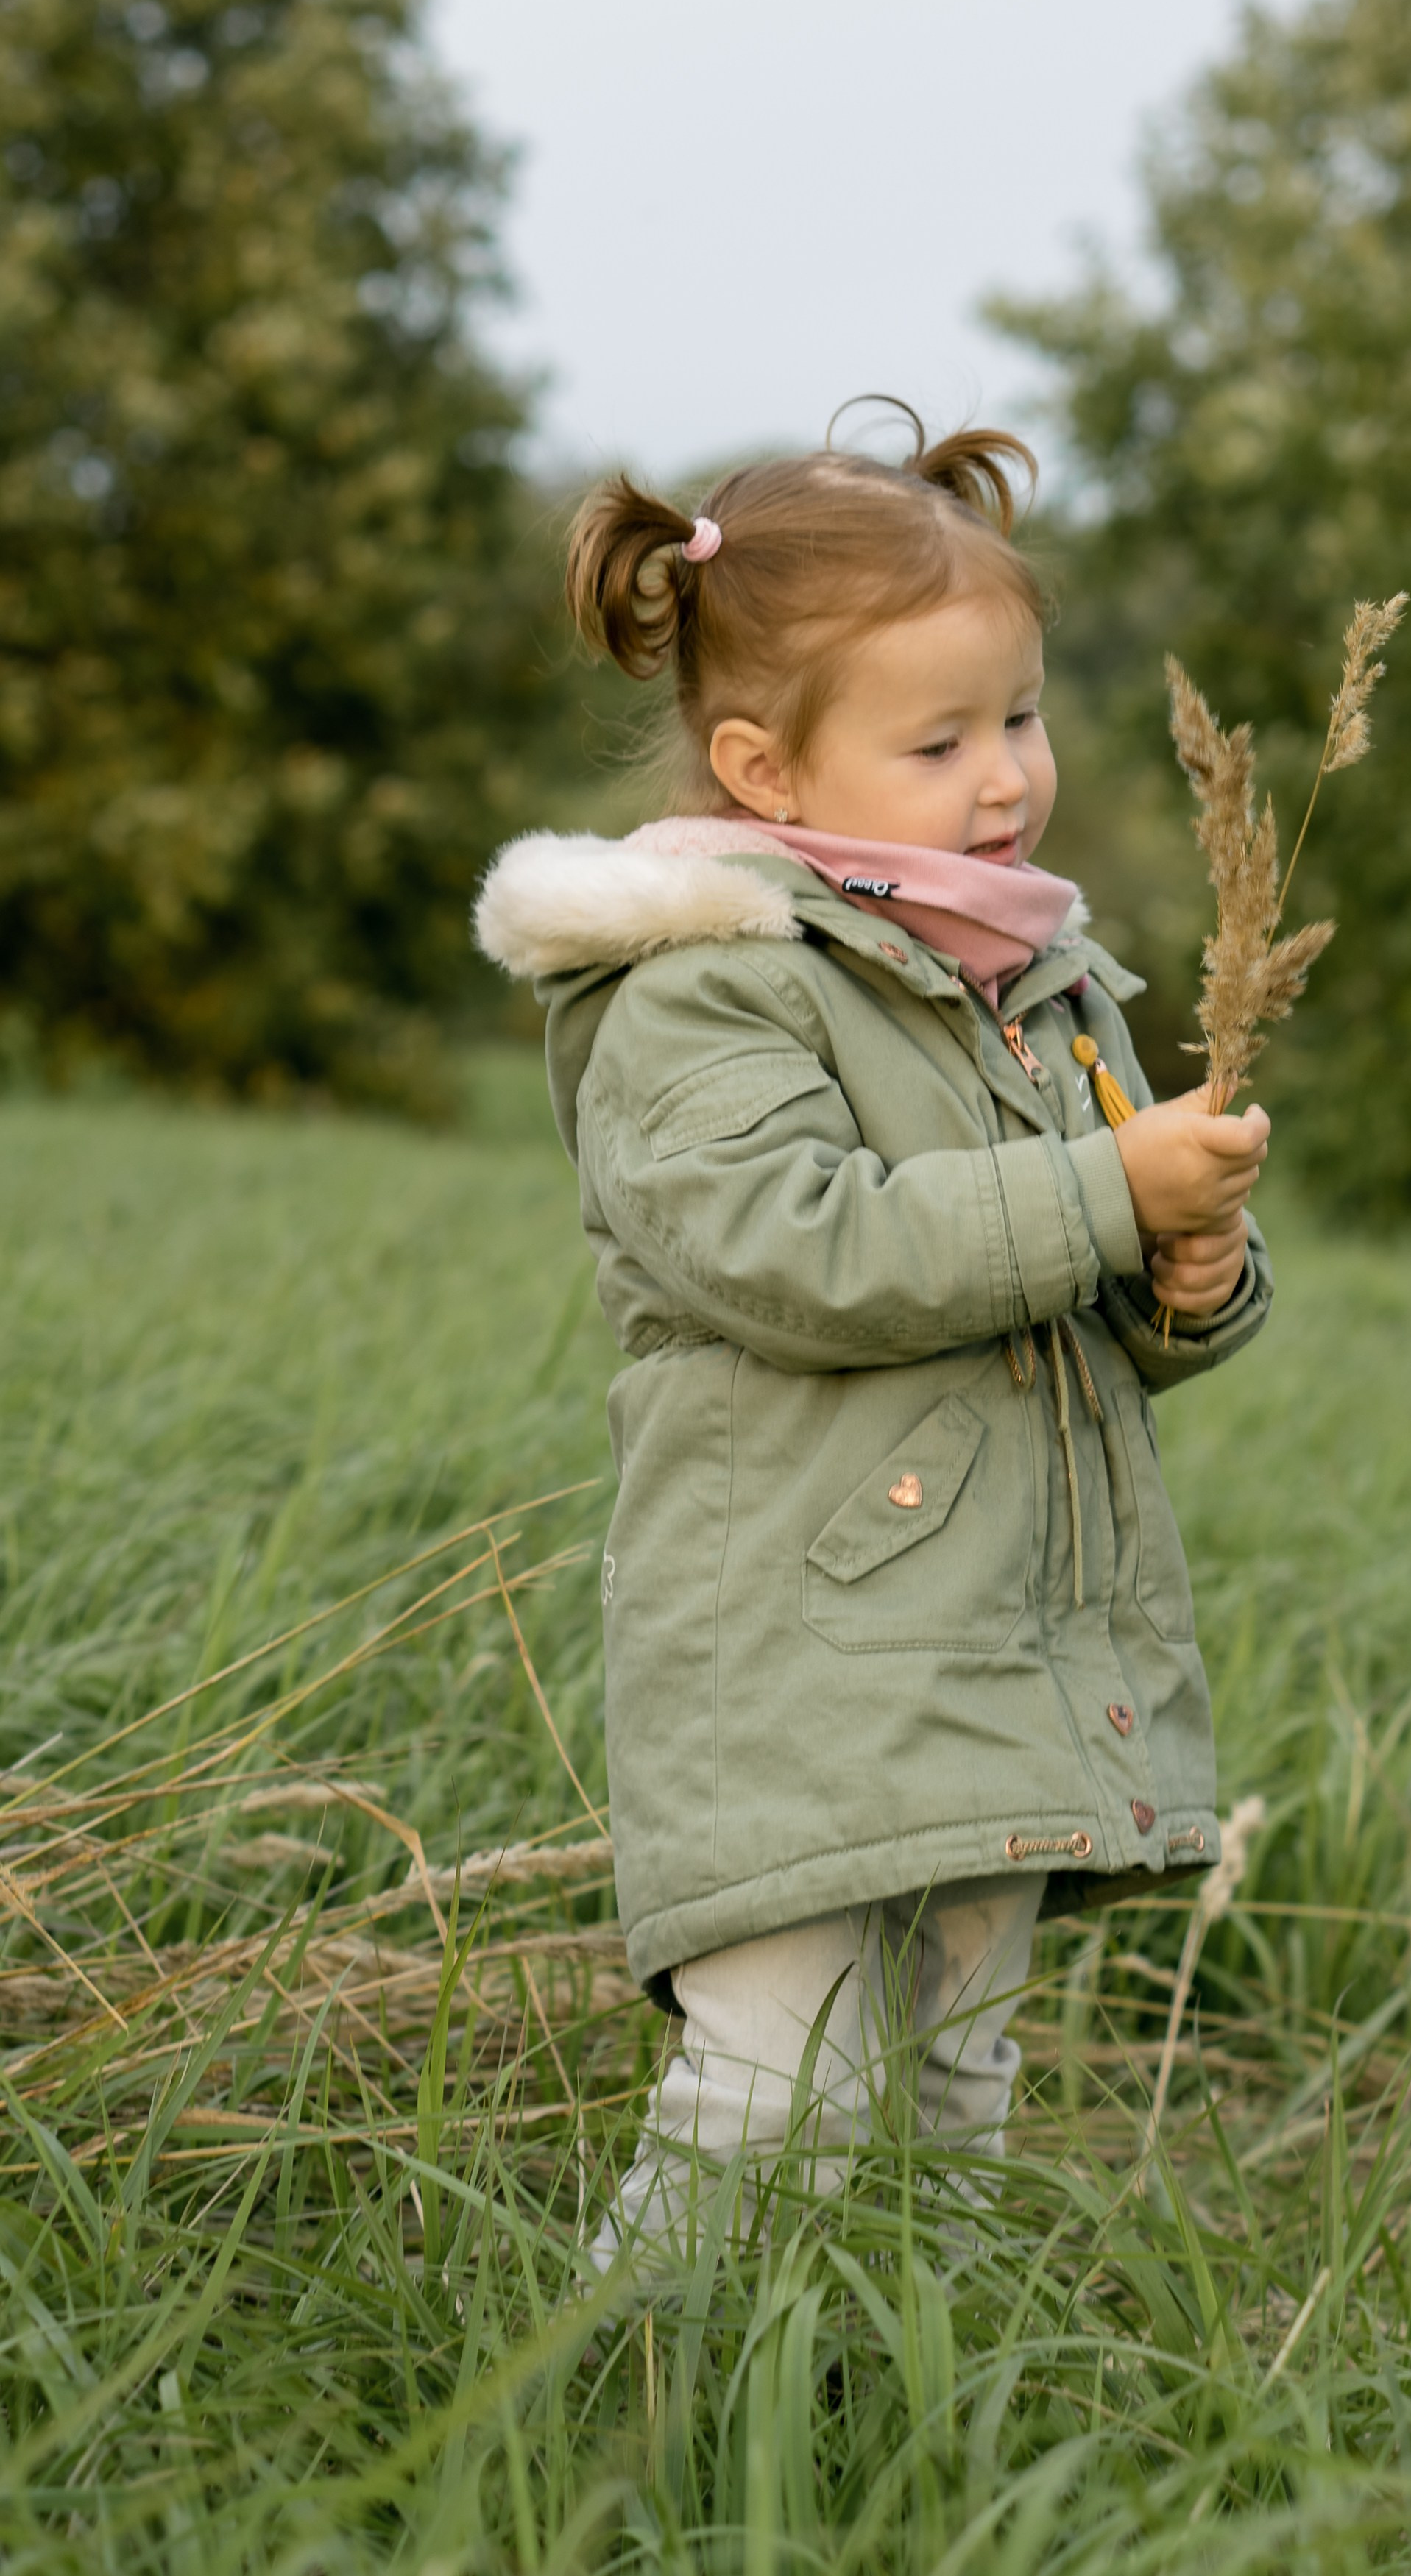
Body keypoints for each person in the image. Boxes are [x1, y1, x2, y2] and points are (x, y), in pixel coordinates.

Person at [474, 406, 1273, 2253]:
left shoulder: (1027, 976)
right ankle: (635, 2430)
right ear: (762, 766)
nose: (1003, 779)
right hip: (803, 1641)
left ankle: (899, 2423)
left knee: (952, 2093)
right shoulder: (702, 986)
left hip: (993, 1632)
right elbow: (790, 1248)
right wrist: (1103, 1194)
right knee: (777, 2101)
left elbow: (1085, 1303)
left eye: (1018, 718)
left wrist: (1187, 1273)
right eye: (937, 742)